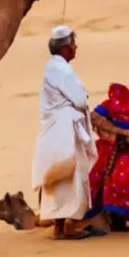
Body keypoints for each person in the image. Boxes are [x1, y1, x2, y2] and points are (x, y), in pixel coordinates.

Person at [32, 25, 101, 241]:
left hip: (61, 127)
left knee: (66, 176)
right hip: (63, 129)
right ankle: (61, 229)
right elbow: (79, 99)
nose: (75, 48)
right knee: (66, 174)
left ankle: (63, 226)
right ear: (63, 48)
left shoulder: (54, 67)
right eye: (72, 44)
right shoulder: (60, 70)